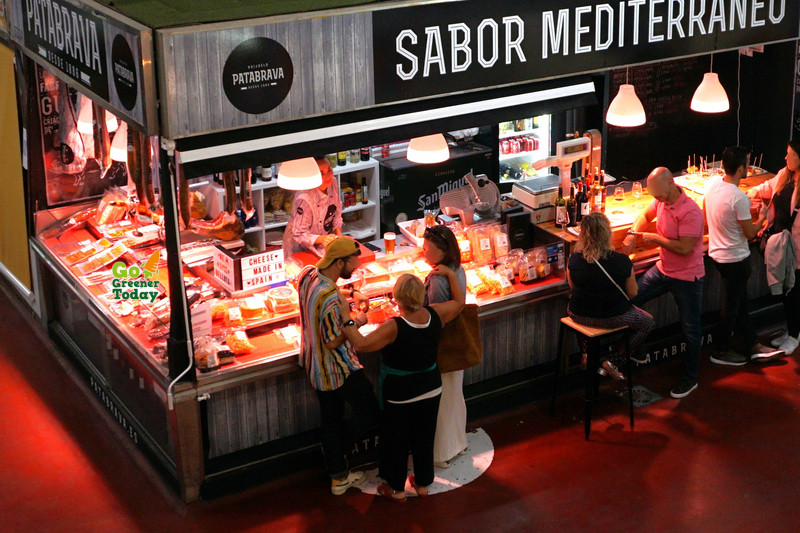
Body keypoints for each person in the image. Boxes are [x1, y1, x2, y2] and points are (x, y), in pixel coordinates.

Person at [339, 271, 464, 501]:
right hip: (430, 388)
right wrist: (448, 273)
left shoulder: (394, 326)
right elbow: (459, 302)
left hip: (399, 393)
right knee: (424, 438)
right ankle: (423, 484)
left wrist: (348, 317)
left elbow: (361, 343)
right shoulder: (435, 314)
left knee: (395, 441)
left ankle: (396, 489)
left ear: (397, 298)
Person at [297, 237, 379, 496]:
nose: (354, 269)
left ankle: (339, 477)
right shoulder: (331, 298)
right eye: (352, 264)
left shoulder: (307, 274)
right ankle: (340, 450)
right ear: (340, 261)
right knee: (369, 413)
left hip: (313, 363)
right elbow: (333, 341)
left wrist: (351, 293)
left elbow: (325, 295)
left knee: (330, 419)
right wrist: (357, 320)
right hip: (338, 368)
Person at [621, 167, 705, 399]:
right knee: (630, 298)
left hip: (687, 277)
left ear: (670, 183)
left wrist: (655, 238)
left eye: (657, 192)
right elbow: (644, 216)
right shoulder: (661, 200)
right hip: (663, 269)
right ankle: (638, 349)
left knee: (691, 329)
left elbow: (685, 248)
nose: (655, 197)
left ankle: (690, 378)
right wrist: (632, 233)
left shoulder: (691, 211)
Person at [703, 146, 782, 366]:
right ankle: (720, 350)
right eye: (747, 164)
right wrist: (763, 218)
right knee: (731, 307)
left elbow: (705, 216)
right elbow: (749, 234)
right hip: (736, 259)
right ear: (740, 169)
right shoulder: (739, 198)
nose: (748, 167)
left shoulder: (711, 185)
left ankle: (754, 344)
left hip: (717, 254)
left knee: (739, 303)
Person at [568, 213, 654, 381]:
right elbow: (633, 293)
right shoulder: (622, 261)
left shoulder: (574, 259)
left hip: (578, 315)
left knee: (580, 306)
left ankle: (586, 354)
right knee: (647, 322)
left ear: (583, 235)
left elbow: (573, 287)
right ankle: (614, 360)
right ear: (608, 234)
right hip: (613, 317)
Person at [421, 224, 469, 469]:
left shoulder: (438, 279)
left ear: (443, 251)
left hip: (442, 345)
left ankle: (440, 453)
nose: (423, 252)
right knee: (454, 395)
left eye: (428, 249)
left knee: (441, 400)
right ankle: (457, 444)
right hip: (457, 344)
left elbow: (436, 316)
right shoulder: (457, 270)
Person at [746, 139, 800, 355]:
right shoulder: (785, 174)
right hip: (780, 243)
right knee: (787, 291)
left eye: (790, 154)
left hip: (795, 248)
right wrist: (752, 192)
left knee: (793, 292)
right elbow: (768, 187)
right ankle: (791, 330)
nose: (785, 157)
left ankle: (794, 336)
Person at [283, 156, 343, 258]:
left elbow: (336, 213)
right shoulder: (305, 198)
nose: (328, 176)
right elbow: (299, 234)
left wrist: (338, 235)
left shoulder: (333, 183)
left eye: (329, 170)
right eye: (321, 173)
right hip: (300, 249)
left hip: (323, 245)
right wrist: (322, 239)